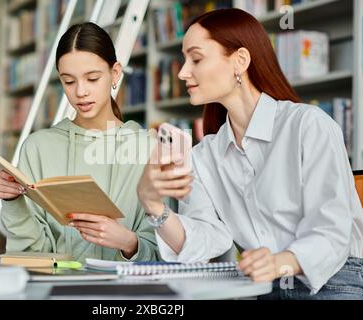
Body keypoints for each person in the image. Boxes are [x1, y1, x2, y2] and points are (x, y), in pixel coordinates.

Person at [137, 8, 363, 299]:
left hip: (335, 282)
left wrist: (283, 261)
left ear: (240, 61)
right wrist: (153, 205)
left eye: (196, 58)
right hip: (263, 288)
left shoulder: (309, 125)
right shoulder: (204, 154)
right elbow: (206, 240)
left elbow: (332, 231)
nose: (182, 72)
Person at [0, 22, 159, 262]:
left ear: (115, 74)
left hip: (120, 296)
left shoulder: (150, 149)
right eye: (69, 81)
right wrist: (13, 202)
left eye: (92, 78)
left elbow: (167, 255)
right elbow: (31, 256)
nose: (80, 91)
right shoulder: (38, 147)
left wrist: (129, 243)